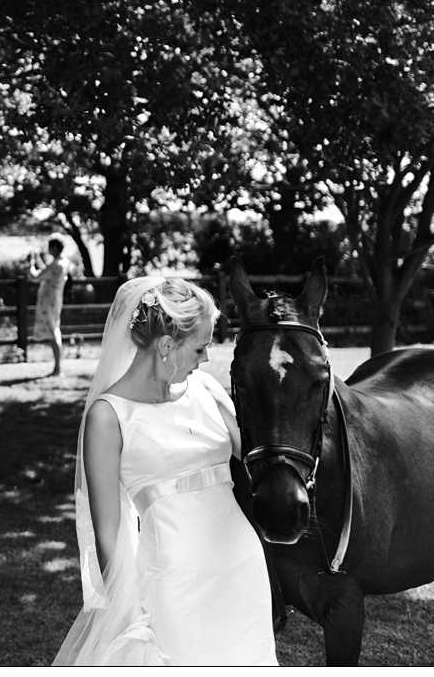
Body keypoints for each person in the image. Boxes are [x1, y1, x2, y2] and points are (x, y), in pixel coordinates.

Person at [53, 276, 277, 666]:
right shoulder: (108, 416)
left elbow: (263, 458)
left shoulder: (206, 388)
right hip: (175, 578)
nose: (205, 359)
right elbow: (108, 531)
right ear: (166, 346)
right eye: (200, 348)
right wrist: (126, 610)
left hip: (242, 565)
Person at [27, 236, 70, 375]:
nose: (48, 250)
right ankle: (58, 368)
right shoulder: (63, 262)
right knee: (54, 330)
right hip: (55, 300)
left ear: (55, 248)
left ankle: (58, 368)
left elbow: (35, 276)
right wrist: (38, 258)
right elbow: (46, 272)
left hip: (48, 301)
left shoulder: (56, 265)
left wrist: (31, 263)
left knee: (53, 332)